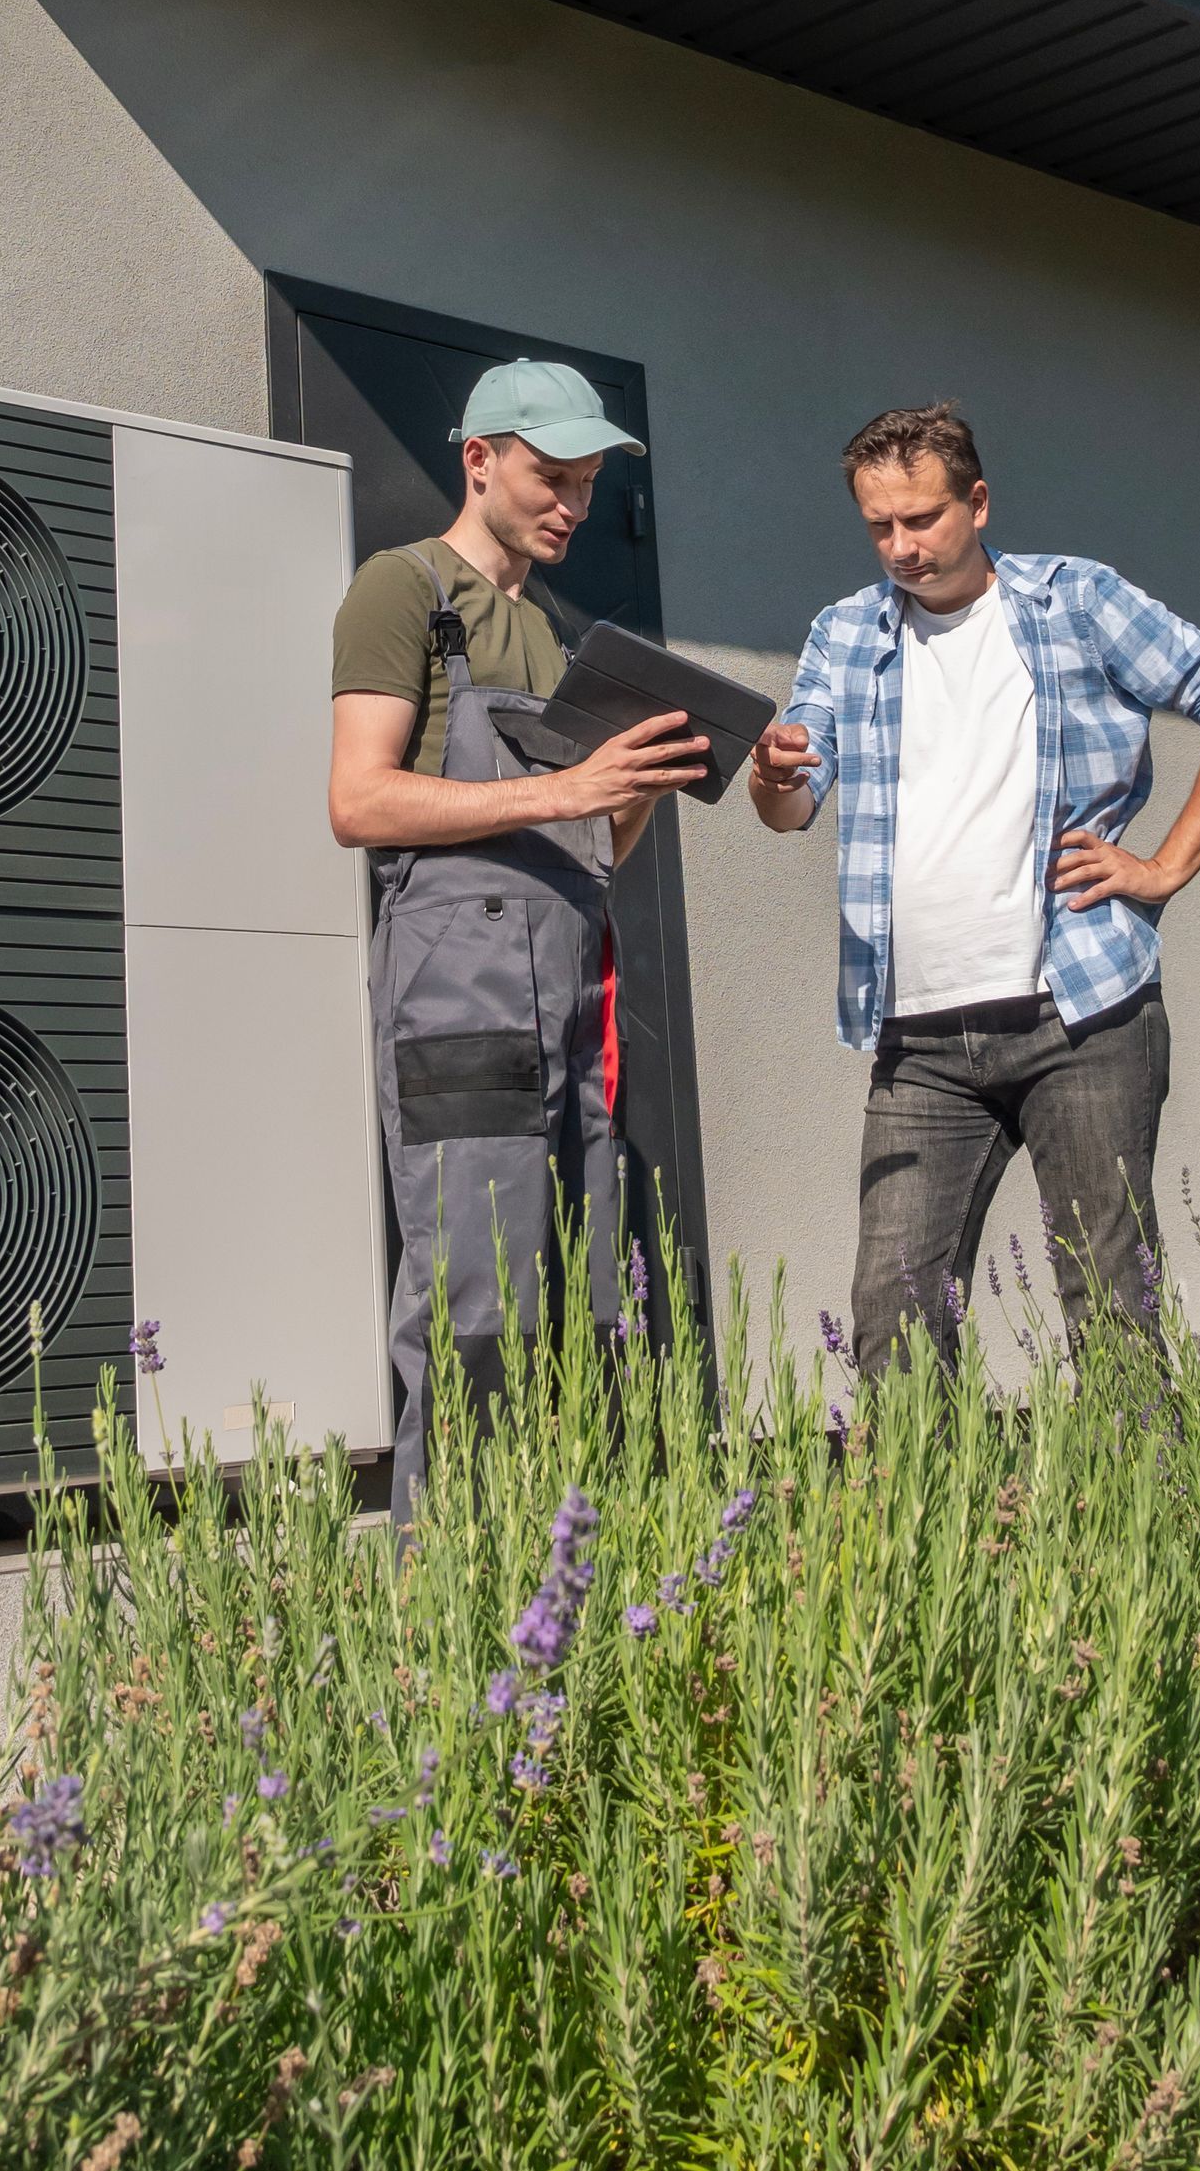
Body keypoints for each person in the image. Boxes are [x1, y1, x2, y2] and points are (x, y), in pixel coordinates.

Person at [748, 400, 1200, 1373]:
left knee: (1111, 1310)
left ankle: (1136, 1526)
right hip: (917, 1036)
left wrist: (1162, 867)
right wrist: (775, 772)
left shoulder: (1076, 602)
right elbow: (792, 804)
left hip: (1081, 1013)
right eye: (881, 526)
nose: (903, 546)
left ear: (979, 501)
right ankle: (956, 1531)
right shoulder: (844, 632)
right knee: (891, 1320)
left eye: (923, 519)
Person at [329, 358, 706, 1527]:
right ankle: (444, 1585)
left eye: (589, 485)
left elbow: (598, 845)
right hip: (460, 995)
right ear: (479, 459)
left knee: (589, 1291)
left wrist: (635, 785)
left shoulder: (557, 637)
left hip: (575, 993)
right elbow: (361, 800)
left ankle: (556, 1570)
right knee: (474, 1296)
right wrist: (566, 792)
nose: (573, 508)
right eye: (553, 477)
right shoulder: (400, 594)